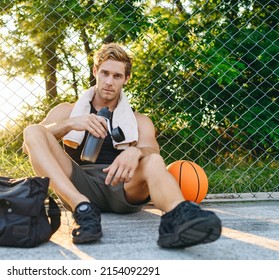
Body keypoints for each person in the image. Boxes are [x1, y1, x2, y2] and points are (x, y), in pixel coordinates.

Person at [23, 43, 222, 248]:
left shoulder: (139, 121)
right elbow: (29, 144)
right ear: (95, 72)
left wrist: (135, 151)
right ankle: (82, 209)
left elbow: (152, 149)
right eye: (105, 73)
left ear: (126, 79)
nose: (109, 82)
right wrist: (70, 124)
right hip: (79, 184)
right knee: (33, 130)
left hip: (122, 184)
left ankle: (179, 216)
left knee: (153, 160)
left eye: (117, 76)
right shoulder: (67, 111)